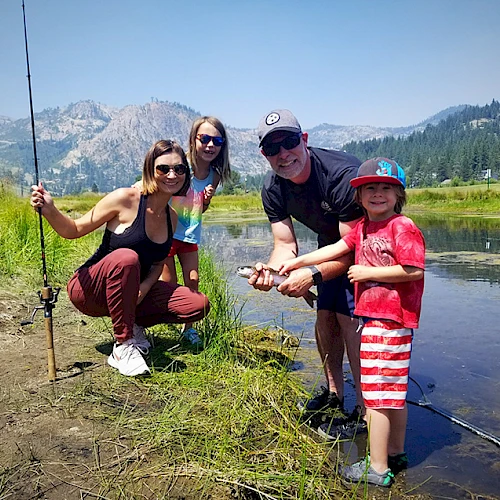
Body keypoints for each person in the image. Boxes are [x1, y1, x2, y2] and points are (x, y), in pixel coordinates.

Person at [279, 158, 425, 487]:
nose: (377, 194)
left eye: (386, 188)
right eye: (369, 188)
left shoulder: (402, 227)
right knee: (392, 394)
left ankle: (376, 468)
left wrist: (368, 272)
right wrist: (299, 261)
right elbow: (336, 248)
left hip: (389, 323)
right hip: (376, 321)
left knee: (374, 397)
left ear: (398, 195)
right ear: (357, 198)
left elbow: (414, 270)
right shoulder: (363, 228)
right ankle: (396, 453)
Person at [30, 140, 210, 377]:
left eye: (179, 169)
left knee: (197, 304)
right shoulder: (125, 198)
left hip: (132, 291)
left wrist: (144, 289)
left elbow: (158, 264)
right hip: (89, 289)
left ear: (186, 174)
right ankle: (123, 347)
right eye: (163, 168)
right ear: (150, 170)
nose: (172, 174)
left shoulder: (172, 217)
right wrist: (51, 210)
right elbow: (73, 230)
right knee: (127, 258)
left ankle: (133, 324)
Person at [248, 109, 365, 427]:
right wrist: (271, 273)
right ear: (265, 154)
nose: (283, 154)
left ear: (305, 140)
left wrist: (310, 274)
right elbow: (284, 246)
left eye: (289, 142)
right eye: (273, 148)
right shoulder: (273, 187)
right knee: (325, 312)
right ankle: (334, 396)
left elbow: (354, 247)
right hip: (330, 242)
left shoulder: (342, 174)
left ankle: (367, 411)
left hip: (368, 244)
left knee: (348, 315)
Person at [162, 116, 231, 345]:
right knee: (169, 284)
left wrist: (207, 200)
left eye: (217, 140)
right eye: (205, 138)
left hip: (190, 236)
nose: (211, 145)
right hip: (167, 234)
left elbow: (199, 209)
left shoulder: (215, 175)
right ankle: (161, 324)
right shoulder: (180, 167)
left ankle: (188, 329)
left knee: (193, 280)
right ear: (194, 139)